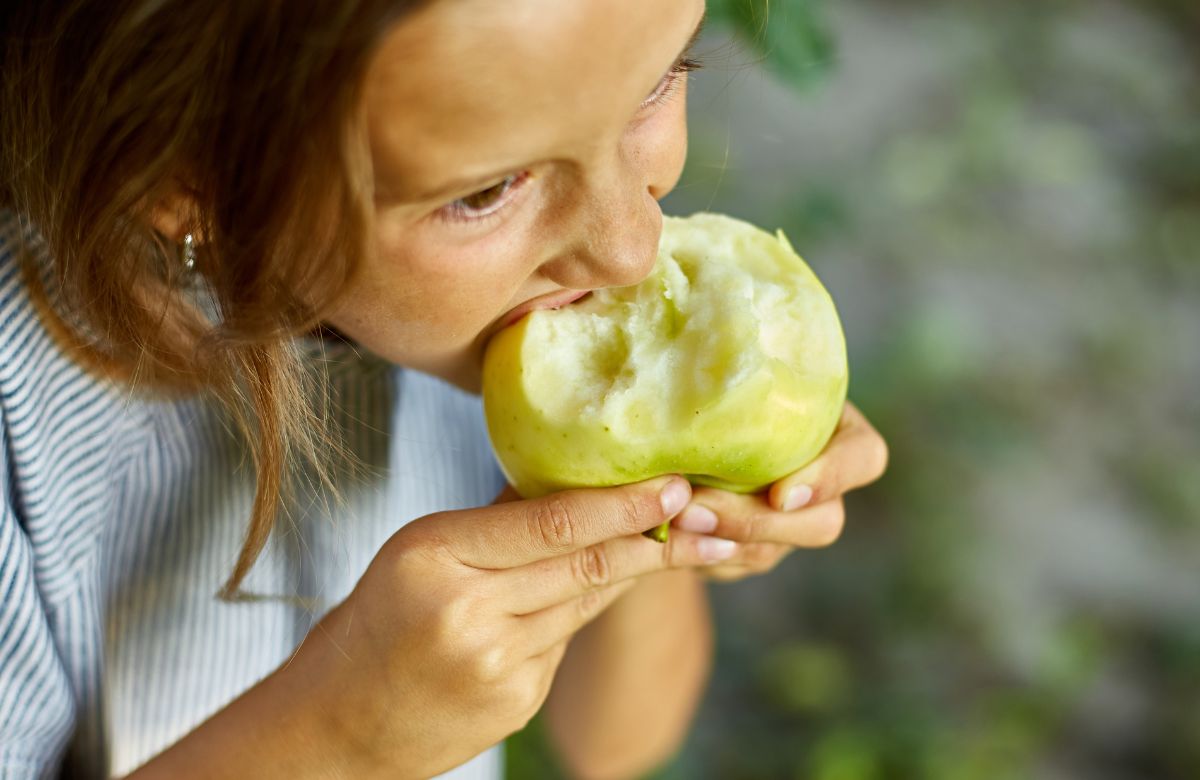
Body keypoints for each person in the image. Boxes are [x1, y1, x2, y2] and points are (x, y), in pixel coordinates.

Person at [0, 0, 888, 778]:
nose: (630, 247)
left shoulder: (497, 321)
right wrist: (337, 742)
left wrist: (662, 522)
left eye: (662, 78)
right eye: (490, 191)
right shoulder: (22, 434)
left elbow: (616, 744)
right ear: (187, 183)